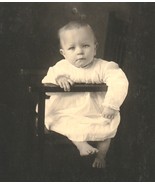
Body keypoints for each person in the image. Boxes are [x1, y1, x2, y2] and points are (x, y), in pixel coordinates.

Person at [41, 20, 129, 168]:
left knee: (106, 128)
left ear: (95, 48)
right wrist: (59, 79)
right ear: (63, 53)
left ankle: (101, 157)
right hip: (68, 110)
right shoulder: (61, 67)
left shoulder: (104, 67)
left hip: (97, 111)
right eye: (72, 48)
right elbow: (47, 84)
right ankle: (81, 144)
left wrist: (111, 104)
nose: (79, 52)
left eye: (85, 46)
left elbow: (119, 81)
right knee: (63, 122)